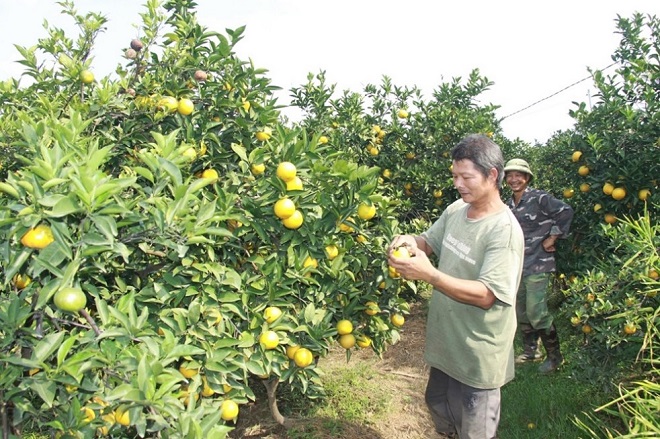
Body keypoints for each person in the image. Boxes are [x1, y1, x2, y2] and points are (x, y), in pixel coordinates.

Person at [388, 134, 524, 439]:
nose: (458, 184)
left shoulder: (503, 231)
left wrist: (429, 275)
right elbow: (430, 242)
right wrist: (411, 241)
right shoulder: (456, 210)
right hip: (448, 345)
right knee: (439, 407)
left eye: (466, 177)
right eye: (454, 176)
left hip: (477, 355)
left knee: (474, 429)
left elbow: (487, 295)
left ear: (491, 176)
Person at [503, 158, 574, 374]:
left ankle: (555, 357)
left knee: (536, 311)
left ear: (527, 178)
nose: (514, 179)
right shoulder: (507, 204)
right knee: (521, 310)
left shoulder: (539, 198)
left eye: (519, 175)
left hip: (539, 264)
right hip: (517, 265)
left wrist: (552, 237)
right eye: (510, 175)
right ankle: (531, 351)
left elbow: (565, 211)